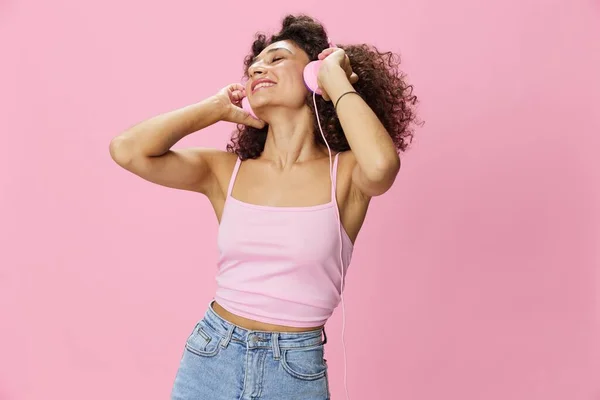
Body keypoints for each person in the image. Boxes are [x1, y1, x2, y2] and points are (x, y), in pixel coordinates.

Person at [109, 13, 418, 400]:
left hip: (294, 369)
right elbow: (127, 150)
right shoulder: (225, 172)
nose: (257, 68)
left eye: (276, 59)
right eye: (254, 65)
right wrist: (214, 108)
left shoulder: (347, 172)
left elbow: (382, 166)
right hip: (211, 354)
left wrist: (334, 79)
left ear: (313, 75)